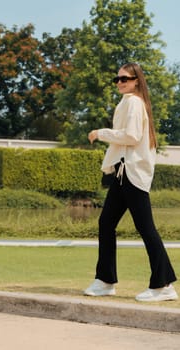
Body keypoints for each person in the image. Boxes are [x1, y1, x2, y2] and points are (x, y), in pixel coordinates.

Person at [85, 62, 177, 302]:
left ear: (136, 81)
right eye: (117, 79)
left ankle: (163, 284)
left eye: (124, 79)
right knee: (106, 223)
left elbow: (132, 136)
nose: (119, 83)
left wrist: (100, 133)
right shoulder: (129, 102)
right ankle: (105, 281)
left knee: (145, 228)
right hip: (124, 171)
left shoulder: (134, 103)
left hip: (131, 172)